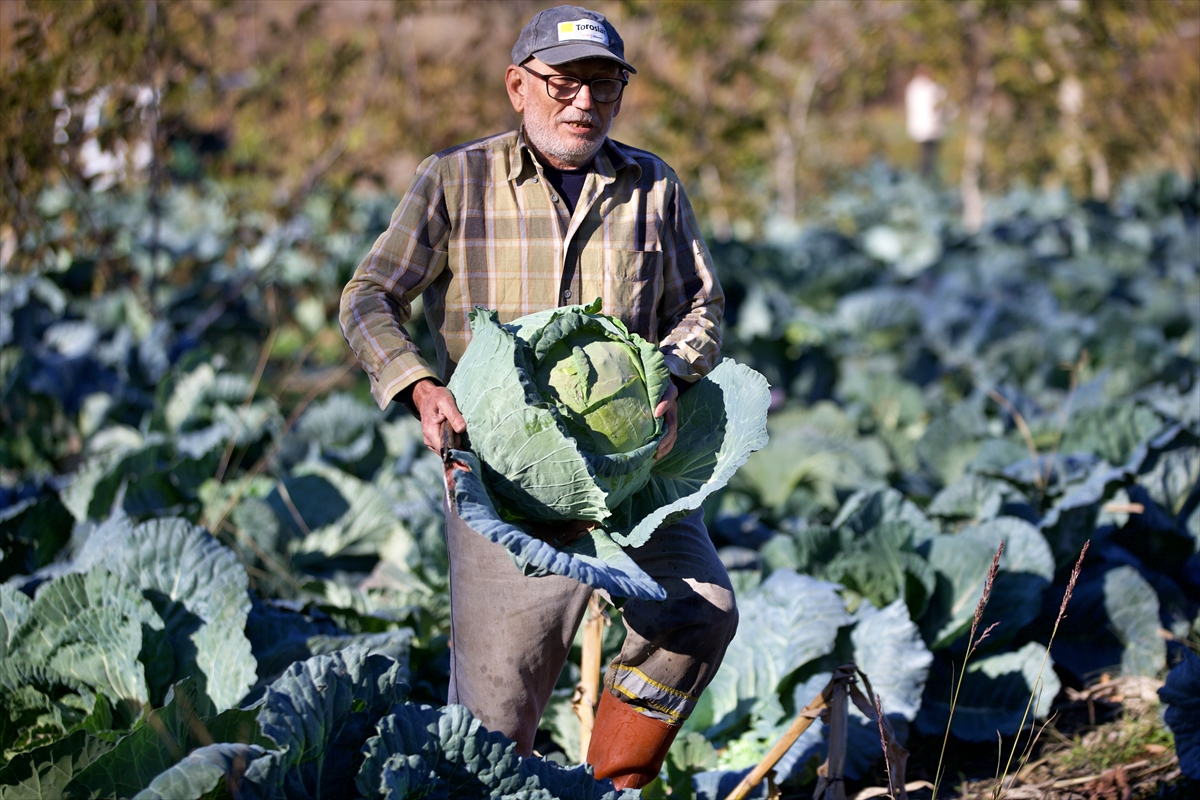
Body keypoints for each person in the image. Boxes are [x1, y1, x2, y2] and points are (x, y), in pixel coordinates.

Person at [339, 5, 736, 789]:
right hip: (503, 480)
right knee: (494, 721)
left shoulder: (652, 185)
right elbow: (368, 296)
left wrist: (673, 374)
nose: (583, 101)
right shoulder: (455, 177)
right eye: (563, 82)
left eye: (604, 84)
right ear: (518, 87)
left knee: (702, 611)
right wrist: (419, 386)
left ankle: (609, 784)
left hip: (628, 478)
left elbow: (703, 308)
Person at [905, 65, 947, 180]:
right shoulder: (928, 88)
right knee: (928, 155)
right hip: (929, 126)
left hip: (923, 126)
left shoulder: (913, 87)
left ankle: (923, 175)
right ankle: (926, 176)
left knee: (924, 154)